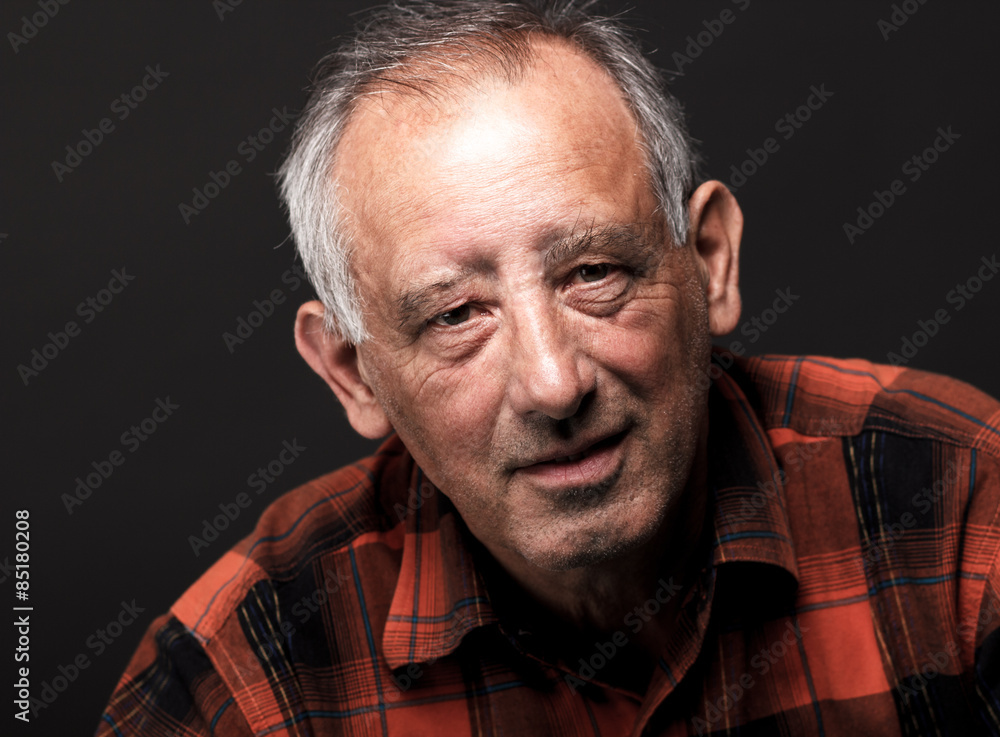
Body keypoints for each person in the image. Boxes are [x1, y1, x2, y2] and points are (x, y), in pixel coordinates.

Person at [97, 1, 1000, 734]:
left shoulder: (958, 505)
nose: (554, 383)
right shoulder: (241, 678)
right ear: (353, 372)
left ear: (710, 263)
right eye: (456, 315)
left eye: (594, 273)